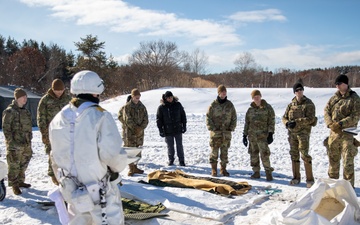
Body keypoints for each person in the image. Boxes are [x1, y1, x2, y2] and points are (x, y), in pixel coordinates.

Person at [49, 70, 128, 225]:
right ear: (96, 92)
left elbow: (54, 157)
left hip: (72, 191)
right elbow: (113, 156)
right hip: (99, 192)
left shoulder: (58, 119)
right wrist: (117, 168)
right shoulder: (100, 116)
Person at [324, 74, 360, 188]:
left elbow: (355, 116)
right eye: (336, 84)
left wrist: (340, 124)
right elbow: (326, 111)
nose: (337, 86)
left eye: (339, 84)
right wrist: (330, 124)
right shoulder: (334, 98)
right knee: (333, 163)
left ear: (346, 84)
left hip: (347, 135)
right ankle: (332, 188)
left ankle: (348, 190)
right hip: (334, 135)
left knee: (347, 164)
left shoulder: (354, 98)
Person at [282, 82, 317, 188]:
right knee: (294, 154)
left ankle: (310, 179)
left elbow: (311, 119)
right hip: (292, 134)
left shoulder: (308, 103)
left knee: (305, 155)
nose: (299, 91)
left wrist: (297, 122)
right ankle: (296, 177)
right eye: (297, 90)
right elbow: (284, 117)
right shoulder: (291, 105)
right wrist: (287, 123)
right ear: (294, 92)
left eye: (301, 89)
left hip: (303, 133)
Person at [37, 79, 71, 185]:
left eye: (61, 90)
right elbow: (41, 118)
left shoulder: (68, 99)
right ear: (52, 89)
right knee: (52, 153)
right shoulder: (45, 100)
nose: (59, 92)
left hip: (65, 132)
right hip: (51, 132)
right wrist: (44, 133)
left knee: (66, 153)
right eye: (57, 90)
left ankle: (66, 173)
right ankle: (53, 174)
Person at [2, 88, 33, 195]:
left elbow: (29, 127)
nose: (25, 99)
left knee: (24, 163)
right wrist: (11, 142)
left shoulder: (26, 111)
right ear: (17, 98)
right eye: (23, 97)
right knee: (14, 164)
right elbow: (6, 129)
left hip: (26, 143)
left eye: (26, 97)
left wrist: (29, 139)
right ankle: (14, 184)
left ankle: (20, 181)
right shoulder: (9, 111)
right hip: (15, 144)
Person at [243, 90, 275, 181]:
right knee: (253, 155)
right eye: (254, 97)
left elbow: (271, 121)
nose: (256, 98)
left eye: (257, 96)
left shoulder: (267, 108)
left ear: (260, 96)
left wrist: (271, 133)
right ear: (252, 98)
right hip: (252, 137)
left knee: (265, 155)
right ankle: (256, 172)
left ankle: (268, 172)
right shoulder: (250, 110)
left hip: (263, 136)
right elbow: (247, 123)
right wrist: (244, 135)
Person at [206, 85, 237, 177]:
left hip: (226, 133)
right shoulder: (213, 105)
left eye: (225, 92)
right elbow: (208, 118)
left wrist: (231, 127)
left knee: (224, 152)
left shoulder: (230, 105)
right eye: (222, 92)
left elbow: (234, 117)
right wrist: (212, 128)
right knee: (214, 152)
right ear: (218, 93)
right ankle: (214, 169)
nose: (224, 93)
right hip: (216, 133)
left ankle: (223, 169)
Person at [156, 91, 187, 166]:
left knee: (179, 145)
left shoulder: (178, 105)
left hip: (178, 129)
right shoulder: (161, 107)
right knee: (170, 146)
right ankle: (171, 160)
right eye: (168, 98)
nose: (170, 99)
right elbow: (159, 120)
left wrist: (184, 125)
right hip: (167, 130)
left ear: (173, 97)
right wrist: (161, 130)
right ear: (165, 98)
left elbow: (183, 115)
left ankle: (181, 160)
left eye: (171, 97)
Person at [123, 88, 149, 176]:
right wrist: (135, 128)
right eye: (136, 97)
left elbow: (146, 118)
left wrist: (141, 128)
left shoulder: (142, 107)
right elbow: (127, 119)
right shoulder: (127, 107)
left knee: (138, 150)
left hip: (140, 133)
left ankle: (135, 167)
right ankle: (131, 168)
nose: (138, 99)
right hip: (130, 133)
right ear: (132, 97)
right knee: (131, 150)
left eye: (139, 97)